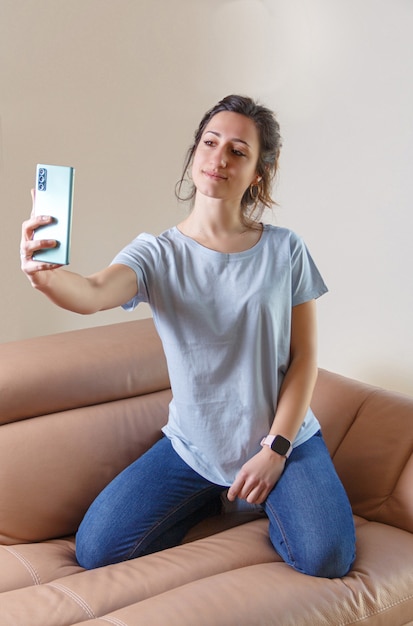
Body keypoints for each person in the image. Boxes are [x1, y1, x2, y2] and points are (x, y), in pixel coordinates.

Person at [21, 94, 356, 578]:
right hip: (195, 448)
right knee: (97, 550)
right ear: (195, 153)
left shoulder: (286, 250)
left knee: (327, 557)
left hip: (283, 442)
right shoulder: (156, 253)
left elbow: (304, 358)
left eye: (237, 151)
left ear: (258, 172)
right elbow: (93, 292)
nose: (218, 158)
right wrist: (44, 275)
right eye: (209, 142)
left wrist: (276, 450)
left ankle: (260, 495)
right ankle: (215, 497)